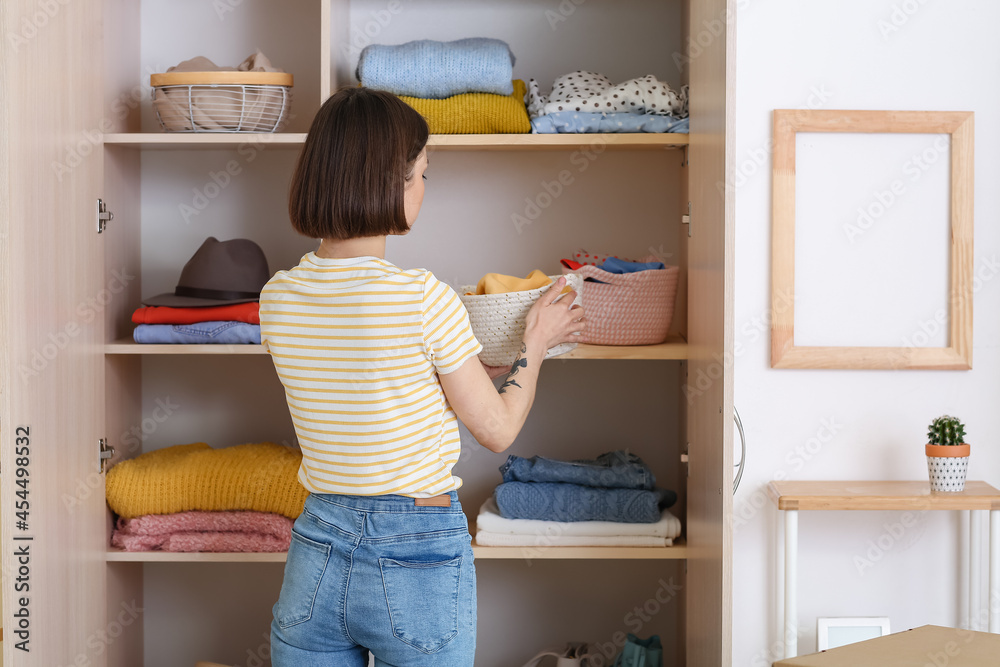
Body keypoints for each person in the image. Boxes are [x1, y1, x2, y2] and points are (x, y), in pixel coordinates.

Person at [260, 87, 585, 667]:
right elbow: (497, 430)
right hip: (415, 551)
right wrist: (536, 341)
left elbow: (370, 382)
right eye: (423, 174)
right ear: (391, 181)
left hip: (316, 546)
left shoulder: (277, 298)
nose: (425, 190)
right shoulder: (423, 298)